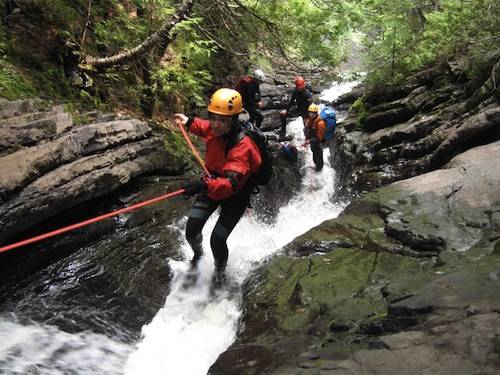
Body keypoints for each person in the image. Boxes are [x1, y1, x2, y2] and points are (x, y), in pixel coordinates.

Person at [174, 88, 262, 288]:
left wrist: (203, 185)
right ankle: (198, 255)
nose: (216, 123)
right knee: (191, 230)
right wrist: (188, 122)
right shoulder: (215, 130)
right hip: (213, 183)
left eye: (222, 120)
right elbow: (205, 128)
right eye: (213, 117)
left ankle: (220, 272)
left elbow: (230, 185)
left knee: (217, 239)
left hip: (235, 195)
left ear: (233, 120)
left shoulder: (242, 146)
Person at [304, 103, 326, 171]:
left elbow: (319, 138)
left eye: (313, 113)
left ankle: (319, 169)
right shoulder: (310, 120)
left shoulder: (320, 123)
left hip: (318, 143)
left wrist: (309, 141)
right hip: (313, 142)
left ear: (316, 113)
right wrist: (306, 139)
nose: (311, 114)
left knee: (318, 156)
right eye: (310, 112)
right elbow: (307, 130)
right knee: (314, 155)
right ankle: (317, 166)